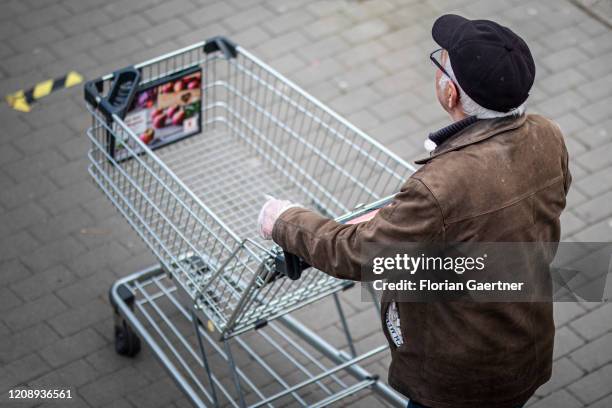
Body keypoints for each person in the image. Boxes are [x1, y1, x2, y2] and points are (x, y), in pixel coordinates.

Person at [257, 14, 571, 408]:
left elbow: (355, 255)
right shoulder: (548, 134)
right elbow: (501, 217)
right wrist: (412, 228)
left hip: (459, 380)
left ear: (451, 94)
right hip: (525, 349)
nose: (437, 69)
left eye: (441, 64)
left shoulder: (441, 184)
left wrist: (284, 220)